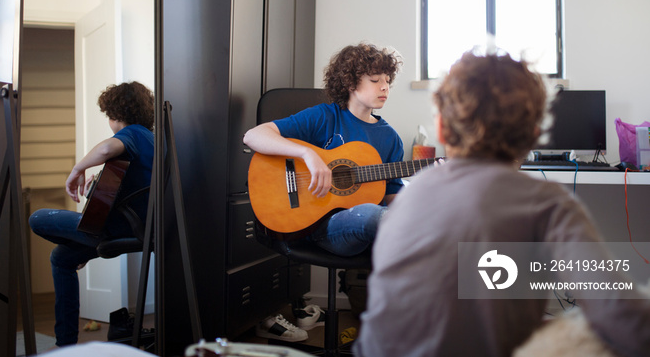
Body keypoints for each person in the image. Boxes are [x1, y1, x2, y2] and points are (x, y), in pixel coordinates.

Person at [354, 50, 650, 357]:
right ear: (534, 136)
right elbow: (622, 317)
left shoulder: (409, 197)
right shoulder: (549, 204)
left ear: (441, 128)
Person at [243, 42, 404, 341]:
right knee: (374, 215)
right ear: (350, 82)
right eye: (375, 80)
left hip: (356, 231)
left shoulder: (390, 139)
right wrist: (308, 155)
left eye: (388, 80)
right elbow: (254, 136)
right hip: (316, 227)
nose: (384, 87)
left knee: (386, 216)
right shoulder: (325, 117)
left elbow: (393, 198)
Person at [30, 81, 155, 348]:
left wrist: (77, 170)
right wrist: (96, 187)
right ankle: (66, 347)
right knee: (62, 258)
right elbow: (121, 190)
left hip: (118, 229)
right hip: (135, 227)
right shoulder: (151, 139)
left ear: (115, 114)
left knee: (38, 218)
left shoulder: (133, 133)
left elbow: (106, 149)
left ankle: (66, 346)